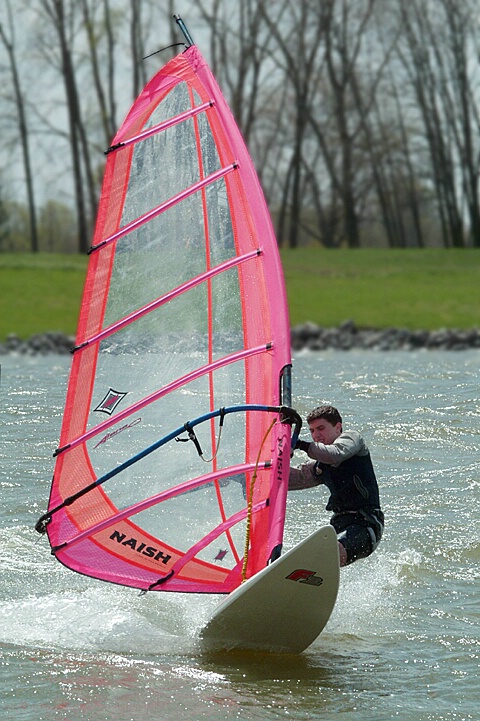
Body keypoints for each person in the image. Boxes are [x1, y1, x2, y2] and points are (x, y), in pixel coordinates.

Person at [289, 405, 383, 567]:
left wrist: (302, 445)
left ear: (338, 427)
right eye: (312, 431)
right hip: (338, 525)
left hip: (365, 525)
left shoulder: (353, 440)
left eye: (321, 428)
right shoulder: (320, 465)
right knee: (312, 554)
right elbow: (294, 478)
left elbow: (335, 454)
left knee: (329, 552)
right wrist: (250, 477)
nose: (316, 435)